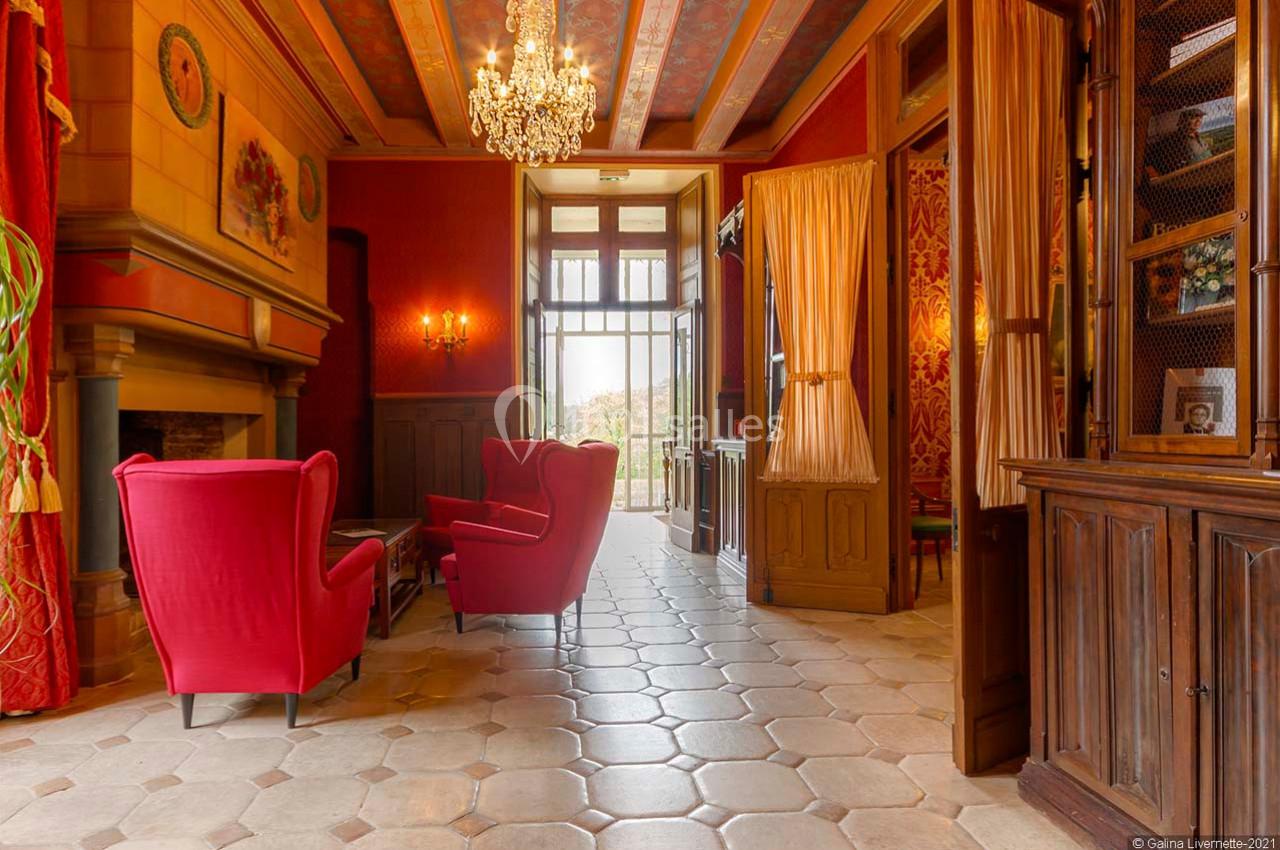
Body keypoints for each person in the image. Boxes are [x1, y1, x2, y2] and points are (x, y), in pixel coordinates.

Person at [1146, 108, 1212, 179]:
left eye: (1200, 117)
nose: (1199, 120)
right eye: (1194, 117)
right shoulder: (1174, 141)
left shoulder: (1198, 137)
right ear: (1183, 121)